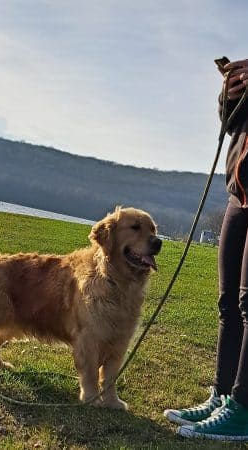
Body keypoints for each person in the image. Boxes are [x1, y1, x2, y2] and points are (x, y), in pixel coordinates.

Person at [164, 59, 248, 441]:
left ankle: (243, 409)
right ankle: (223, 394)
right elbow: (233, 124)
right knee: (228, 302)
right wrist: (228, 97)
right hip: (239, 193)